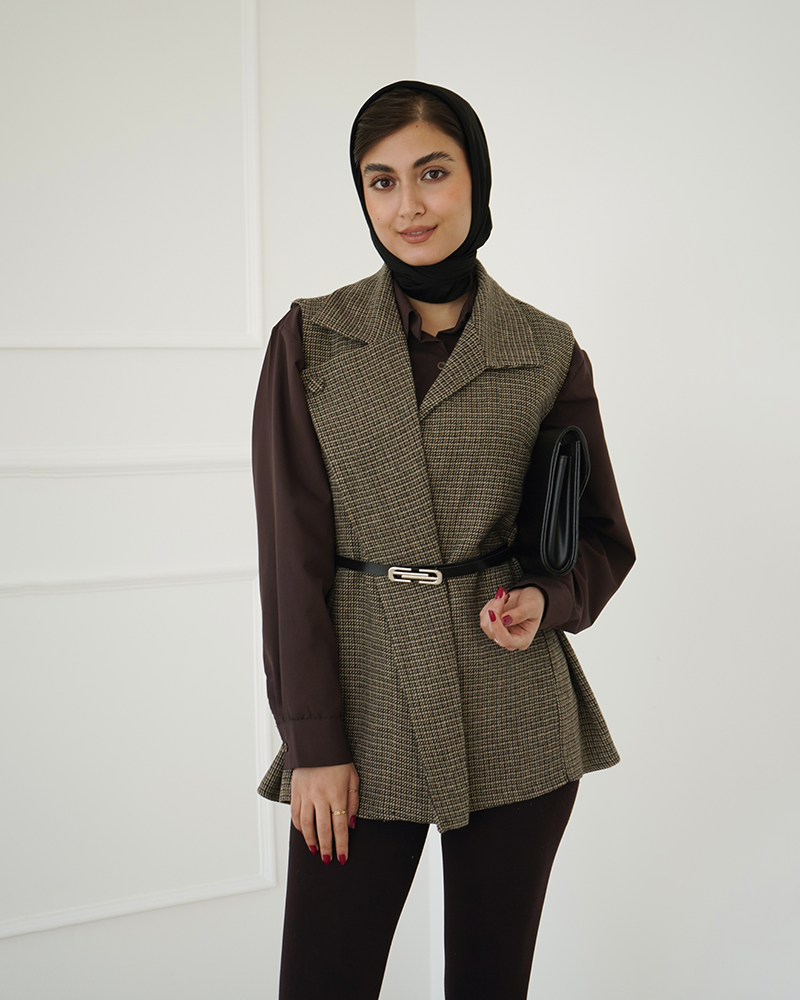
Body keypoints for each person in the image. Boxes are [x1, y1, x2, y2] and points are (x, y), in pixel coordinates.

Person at [252, 80, 635, 1000]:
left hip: (514, 713)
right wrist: (313, 743)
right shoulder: (311, 338)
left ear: (477, 179)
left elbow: (601, 537)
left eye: (433, 173)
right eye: (380, 181)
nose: (408, 206)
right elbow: (288, 557)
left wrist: (547, 597)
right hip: (361, 708)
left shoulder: (545, 348)